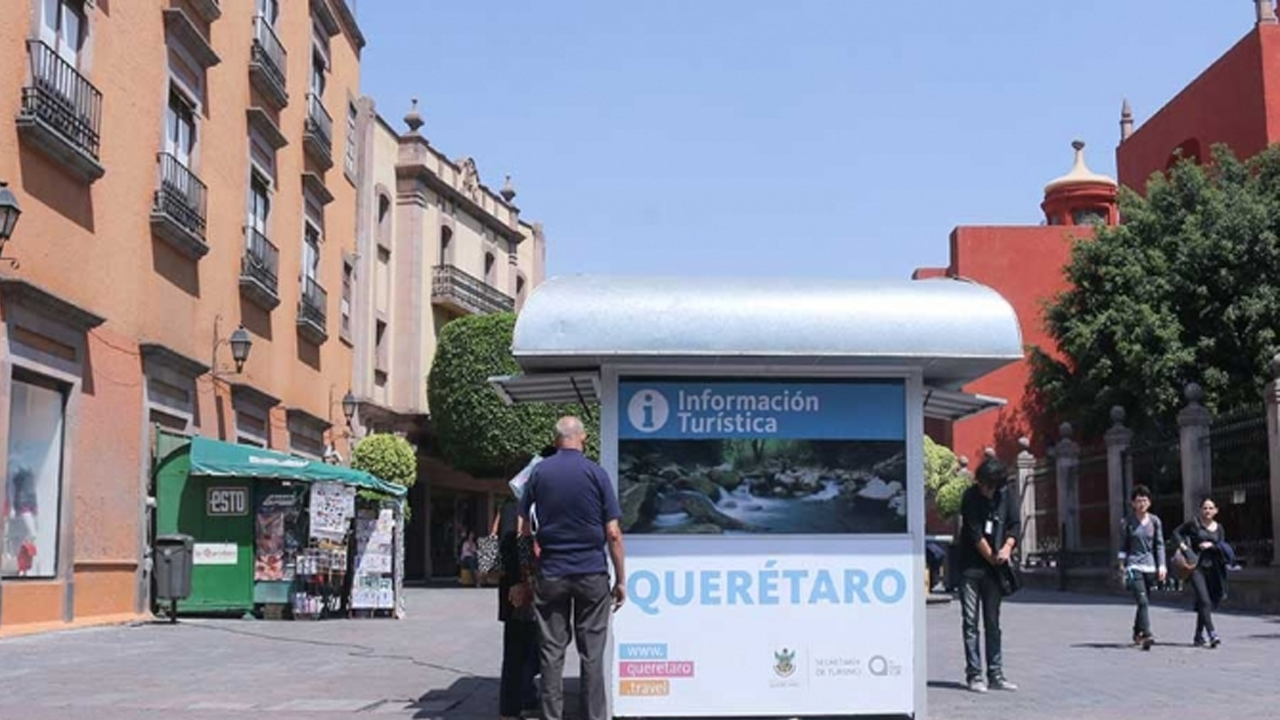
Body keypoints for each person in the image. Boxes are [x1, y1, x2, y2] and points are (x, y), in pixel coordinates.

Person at [519, 416, 626, 720]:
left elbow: (524, 530)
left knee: (551, 653)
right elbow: (614, 533)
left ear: (556, 441)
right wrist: (621, 579)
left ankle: (552, 716)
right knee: (592, 655)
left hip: (551, 573)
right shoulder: (597, 474)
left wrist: (527, 574)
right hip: (592, 573)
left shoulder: (539, 473)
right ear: (583, 439)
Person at [958, 454, 1020, 693]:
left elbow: (1015, 525)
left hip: (995, 571)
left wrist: (1007, 547)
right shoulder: (970, 497)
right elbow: (975, 534)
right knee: (970, 623)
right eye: (986, 486)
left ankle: (996, 674)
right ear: (980, 482)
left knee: (993, 623)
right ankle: (974, 675)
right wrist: (993, 558)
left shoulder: (1005, 496)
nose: (989, 491)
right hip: (971, 568)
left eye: (994, 487)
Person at [495, 497, 540, 720]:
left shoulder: (506, 507)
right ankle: (515, 705)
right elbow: (514, 544)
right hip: (521, 592)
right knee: (522, 650)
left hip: (513, 590)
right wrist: (518, 582)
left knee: (517, 650)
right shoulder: (519, 509)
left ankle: (519, 701)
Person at [1172, 496, 1229, 648]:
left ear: (1216, 510)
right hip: (1196, 567)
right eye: (1205, 508)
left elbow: (1222, 547)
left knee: (1206, 604)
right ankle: (1212, 633)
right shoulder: (1194, 524)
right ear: (1200, 510)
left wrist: (1211, 546)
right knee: (1204, 601)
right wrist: (1184, 547)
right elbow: (1176, 533)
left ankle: (1198, 635)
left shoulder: (1219, 528)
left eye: (1211, 508)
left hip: (1214, 569)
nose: (1207, 511)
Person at [1118, 484, 1166, 650]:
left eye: (1144, 500)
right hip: (1134, 565)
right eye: (1138, 501)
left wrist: (1162, 565)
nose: (1141, 504)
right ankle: (1147, 634)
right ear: (1133, 503)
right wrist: (1122, 565)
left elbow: (1159, 545)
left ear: (1149, 503)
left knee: (1143, 602)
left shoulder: (1155, 521)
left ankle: (1136, 631)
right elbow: (1123, 546)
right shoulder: (1127, 522)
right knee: (1143, 600)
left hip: (1150, 566)